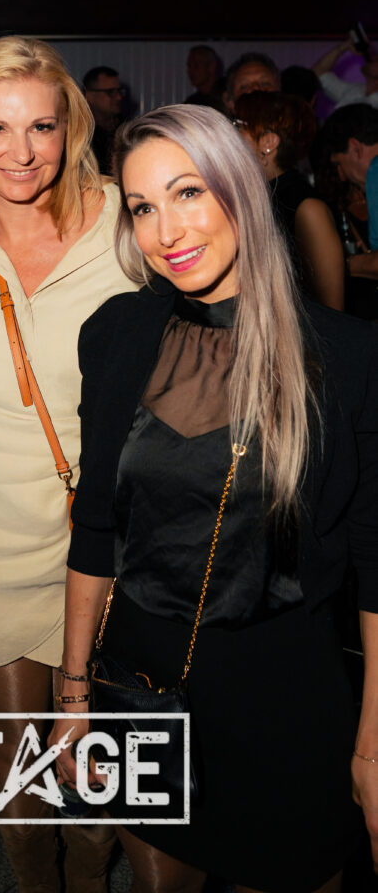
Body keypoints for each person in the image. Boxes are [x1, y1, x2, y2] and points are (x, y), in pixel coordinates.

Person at [50, 104, 378, 893]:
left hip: (282, 691)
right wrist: (72, 694)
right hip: (142, 679)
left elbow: (374, 561)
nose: (165, 231)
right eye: (141, 208)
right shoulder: (115, 335)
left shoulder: (347, 357)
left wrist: (371, 744)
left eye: (188, 192)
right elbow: (93, 527)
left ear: (239, 190)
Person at [0, 36, 138, 891]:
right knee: (17, 787)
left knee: (96, 788)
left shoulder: (128, 219)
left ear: (71, 130)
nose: (19, 153)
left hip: (113, 534)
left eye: (41, 127)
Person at [234, 91, 345, 310]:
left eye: (239, 125)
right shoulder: (253, 196)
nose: (230, 134)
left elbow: (333, 309)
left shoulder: (308, 208)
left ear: (268, 142)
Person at [317, 104, 378, 284]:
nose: (342, 176)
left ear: (355, 148)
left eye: (339, 164)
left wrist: (337, 264)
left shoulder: (375, 170)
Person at [312, 35, 378, 110]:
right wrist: (343, 47)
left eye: (377, 60)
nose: (374, 57)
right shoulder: (354, 91)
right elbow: (317, 74)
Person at [82, 65, 125, 174]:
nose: (119, 97)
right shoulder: (80, 134)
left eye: (119, 91)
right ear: (89, 96)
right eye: (110, 92)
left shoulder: (124, 129)